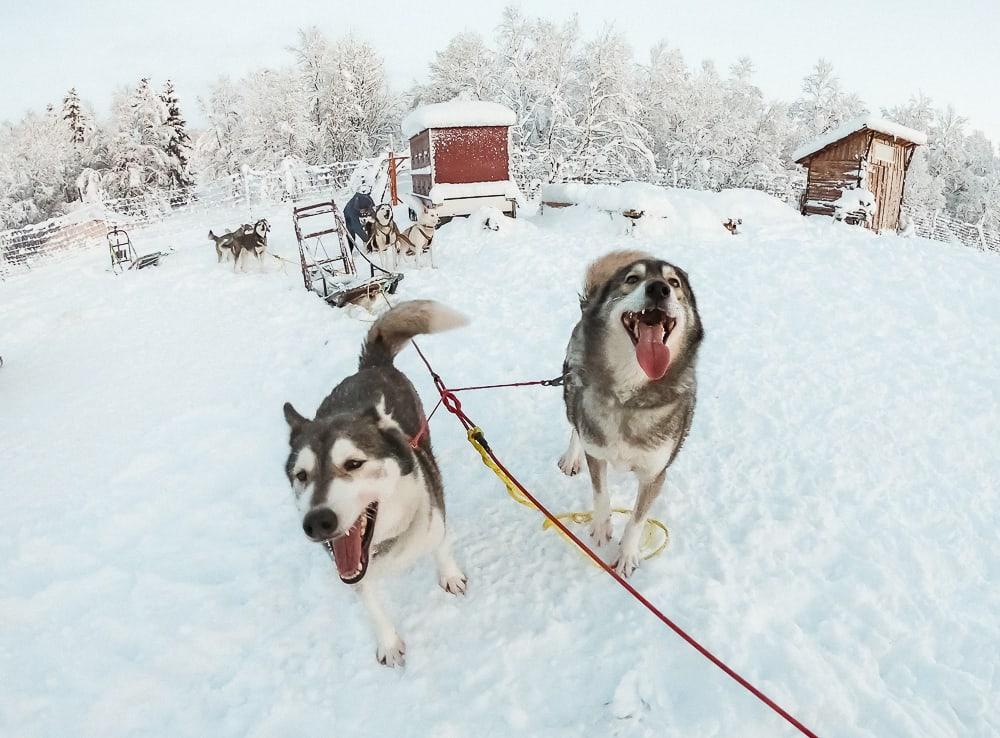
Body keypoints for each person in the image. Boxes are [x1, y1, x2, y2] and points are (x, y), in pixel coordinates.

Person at [343, 184, 375, 250]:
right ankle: (349, 250)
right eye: (363, 211)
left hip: (361, 210)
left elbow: (375, 215)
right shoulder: (351, 209)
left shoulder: (368, 200)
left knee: (371, 224)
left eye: (366, 210)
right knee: (351, 231)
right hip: (349, 216)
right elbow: (357, 228)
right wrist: (367, 239)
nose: (365, 213)